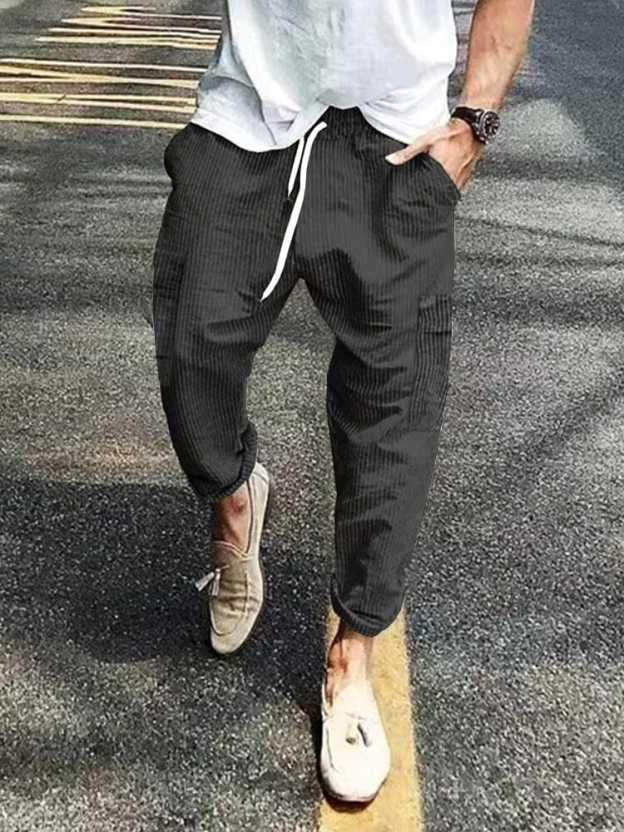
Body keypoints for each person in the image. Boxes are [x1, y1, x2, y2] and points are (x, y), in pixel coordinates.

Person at [152, 0, 535, 803]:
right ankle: (234, 499)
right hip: (247, 113)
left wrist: (476, 120)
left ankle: (351, 655)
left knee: (395, 406)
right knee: (192, 350)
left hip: (397, 133)